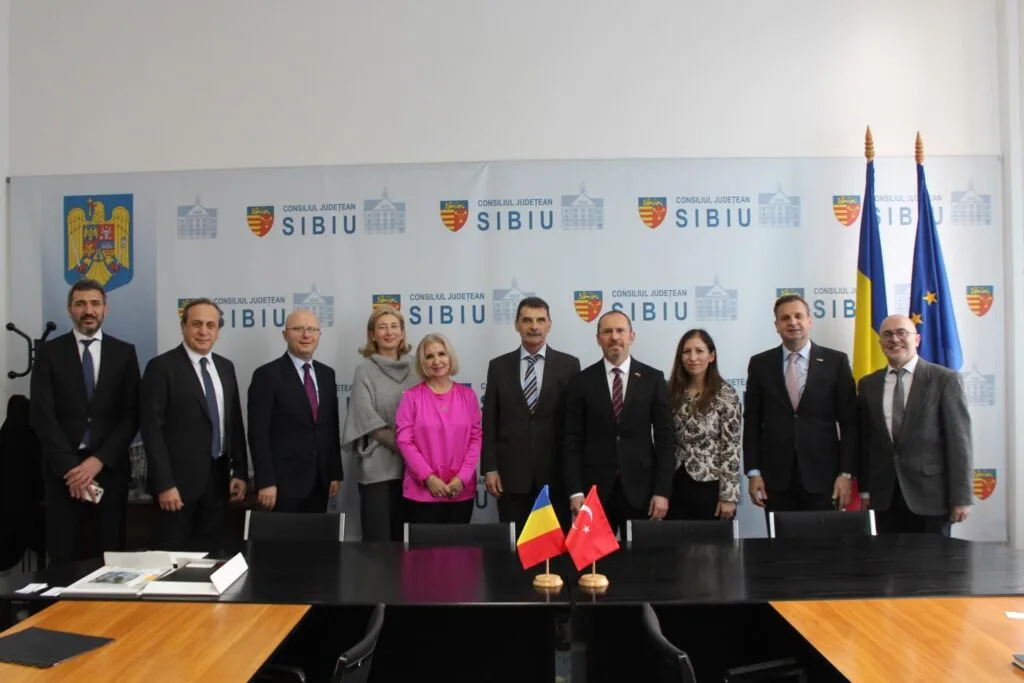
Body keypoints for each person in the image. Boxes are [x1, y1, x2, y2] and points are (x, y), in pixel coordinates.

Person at [29, 278, 140, 564]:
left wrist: (98, 461)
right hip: (63, 474)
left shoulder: (124, 353)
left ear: (105, 309)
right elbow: (42, 415)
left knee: (110, 557)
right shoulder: (49, 353)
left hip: (109, 470)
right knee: (63, 554)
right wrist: (72, 469)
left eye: (94, 304)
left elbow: (131, 415)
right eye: (80, 304)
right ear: (70, 309)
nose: (88, 310)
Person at [140, 298, 247, 549]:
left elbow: (234, 424)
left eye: (211, 325)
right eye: (197, 324)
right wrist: (165, 484)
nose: (203, 331)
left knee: (211, 557)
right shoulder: (161, 367)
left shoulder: (225, 367)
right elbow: (152, 431)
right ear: (183, 327)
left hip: (217, 484)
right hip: (176, 488)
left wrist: (240, 471)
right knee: (172, 559)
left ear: (218, 330)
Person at [857, 314, 973, 535]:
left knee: (933, 557)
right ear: (880, 343)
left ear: (917, 339)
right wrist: (865, 491)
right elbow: (866, 442)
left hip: (931, 498)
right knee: (888, 557)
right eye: (887, 334)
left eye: (902, 332)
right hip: (884, 498)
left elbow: (959, 443)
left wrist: (961, 497)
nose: (894, 339)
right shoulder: (868, 385)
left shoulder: (944, 380)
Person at [743, 294, 858, 516]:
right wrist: (753, 472)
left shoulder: (836, 362)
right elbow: (752, 423)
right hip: (775, 480)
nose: (792, 322)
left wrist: (846, 474)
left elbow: (849, 423)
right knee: (780, 539)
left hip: (824, 478)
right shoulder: (760, 364)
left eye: (798, 316)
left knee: (823, 539)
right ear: (776, 325)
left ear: (809, 321)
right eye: (785, 318)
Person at [563, 310, 675, 535]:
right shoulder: (581, 382)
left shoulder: (653, 379)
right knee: (596, 557)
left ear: (631, 336)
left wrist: (662, 491)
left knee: (641, 556)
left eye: (620, 331)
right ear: (598, 339)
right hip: (593, 493)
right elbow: (571, 439)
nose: (614, 337)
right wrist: (575, 491)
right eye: (607, 332)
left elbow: (666, 439)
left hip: (642, 491)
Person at [482, 296, 580, 534]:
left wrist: (575, 478)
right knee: (513, 548)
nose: (534, 326)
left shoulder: (569, 365)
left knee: (556, 549)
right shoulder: (498, 366)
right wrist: (490, 468)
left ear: (549, 325)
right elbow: (490, 421)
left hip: (556, 477)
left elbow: (574, 426)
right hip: (511, 478)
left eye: (540, 320)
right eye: (527, 320)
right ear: (517, 325)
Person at [248, 310, 342, 514]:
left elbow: (330, 427)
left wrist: (334, 472)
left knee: (315, 535)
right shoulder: (266, 375)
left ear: (319, 334)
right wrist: (265, 481)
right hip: (281, 485)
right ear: (285, 335)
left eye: (312, 329)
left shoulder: (327, 374)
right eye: (298, 329)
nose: (306, 335)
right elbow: (258, 434)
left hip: (320, 481)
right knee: (283, 536)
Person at [342, 307, 417, 540]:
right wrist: (407, 449)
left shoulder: (419, 367)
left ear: (402, 333)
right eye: (382, 327)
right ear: (372, 335)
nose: (389, 332)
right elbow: (367, 419)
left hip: (416, 471)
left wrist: (416, 457)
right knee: (379, 544)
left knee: (409, 541)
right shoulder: (364, 370)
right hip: (378, 471)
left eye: (394, 326)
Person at [395, 334, 481, 524]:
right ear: (422, 362)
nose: (436, 361)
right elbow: (404, 441)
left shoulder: (468, 396)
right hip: (421, 493)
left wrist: (462, 478)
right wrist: (428, 478)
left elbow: (475, 439)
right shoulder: (411, 397)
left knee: (457, 544)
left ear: (450, 357)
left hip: (460, 491)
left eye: (441, 354)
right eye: (429, 356)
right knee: (424, 545)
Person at [666, 329, 741, 521]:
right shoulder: (669, 391)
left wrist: (729, 496)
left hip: (711, 485)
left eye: (699, 351)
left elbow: (731, 447)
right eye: (687, 351)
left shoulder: (726, 394)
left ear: (711, 356)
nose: (693, 357)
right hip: (674, 484)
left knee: (710, 541)